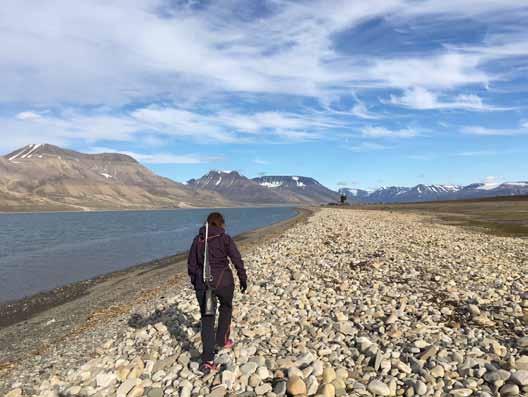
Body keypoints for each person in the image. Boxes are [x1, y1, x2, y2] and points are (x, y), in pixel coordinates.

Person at [187, 212, 248, 374]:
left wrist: (197, 283)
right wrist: (243, 279)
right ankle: (222, 340)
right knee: (226, 308)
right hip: (224, 282)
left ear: (207, 224)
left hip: (204, 284)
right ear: (221, 224)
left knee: (207, 319)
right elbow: (236, 259)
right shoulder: (225, 238)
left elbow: (191, 265)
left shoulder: (198, 240)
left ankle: (207, 360)